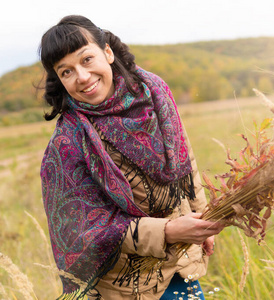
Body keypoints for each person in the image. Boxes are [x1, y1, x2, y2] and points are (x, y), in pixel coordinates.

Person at [39, 15, 224, 300]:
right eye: (66, 72)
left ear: (108, 53)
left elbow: (186, 163)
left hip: (179, 263)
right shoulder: (68, 143)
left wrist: (202, 219)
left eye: (86, 59)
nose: (82, 77)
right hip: (125, 284)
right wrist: (170, 231)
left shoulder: (154, 93)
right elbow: (84, 230)